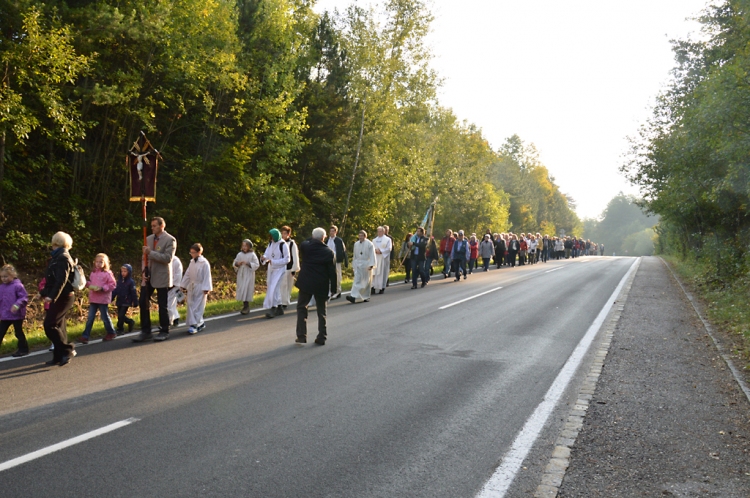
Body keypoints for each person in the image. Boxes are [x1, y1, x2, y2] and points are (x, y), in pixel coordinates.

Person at [133, 217, 176, 343]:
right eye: (151, 226)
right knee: (143, 302)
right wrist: (143, 271)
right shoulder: (148, 238)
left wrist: (150, 253)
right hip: (148, 276)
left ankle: (164, 330)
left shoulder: (170, 240)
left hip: (161, 276)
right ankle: (146, 330)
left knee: (162, 305)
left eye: (154, 226)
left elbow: (167, 258)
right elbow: (143, 258)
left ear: (162, 226)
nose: (152, 228)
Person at [40, 231, 77, 366]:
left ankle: (67, 350)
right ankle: (58, 356)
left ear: (56, 242)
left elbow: (61, 281)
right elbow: (52, 280)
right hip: (60, 296)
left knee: (50, 324)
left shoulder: (63, 258)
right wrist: (43, 292)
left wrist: (51, 296)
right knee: (59, 326)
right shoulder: (56, 257)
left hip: (64, 297)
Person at [295, 227, 337, 345]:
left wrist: (314, 237)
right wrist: (333, 288)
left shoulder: (306, 246)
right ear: (324, 238)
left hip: (306, 281)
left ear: (312, 237)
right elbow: (332, 272)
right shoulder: (329, 252)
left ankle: (301, 335)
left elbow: (306, 241)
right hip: (321, 283)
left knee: (302, 308)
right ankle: (322, 336)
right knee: (321, 311)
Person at [80, 253, 117, 343]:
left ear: (105, 263)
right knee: (90, 317)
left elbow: (113, 285)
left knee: (104, 317)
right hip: (93, 298)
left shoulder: (107, 273)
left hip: (103, 299)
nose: (98, 264)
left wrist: (103, 288)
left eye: (101, 262)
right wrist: (84, 283)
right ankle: (85, 336)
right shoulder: (93, 273)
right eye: (97, 262)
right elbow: (90, 283)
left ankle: (111, 332)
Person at [180, 243, 213, 334]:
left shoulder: (204, 263)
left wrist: (206, 288)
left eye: (193, 252)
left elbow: (207, 276)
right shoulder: (192, 262)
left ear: (199, 252)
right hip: (192, 286)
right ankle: (199, 323)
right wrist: (183, 285)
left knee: (197, 306)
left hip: (201, 286)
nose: (192, 254)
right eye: (191, 253)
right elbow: (187, 274)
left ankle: (195, 325)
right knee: (190, 304)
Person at [0, 264, 29, 357]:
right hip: (5, 314)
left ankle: (23, 349)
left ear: (13, 275)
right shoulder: (1, 287)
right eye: (2, 277)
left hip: (16, 314)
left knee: (18, 332)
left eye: (6, 276)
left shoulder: (18, 286)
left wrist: (17, 305)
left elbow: (24, 297)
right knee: (1, 331)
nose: (3, 279)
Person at [262, 228, 289, 318]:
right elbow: (267, 253)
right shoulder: (271, 243)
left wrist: (274, 261)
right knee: (272, 287)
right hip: (272, 269)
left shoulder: (283, 245)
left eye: (272, 236)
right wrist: (264, 258)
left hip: (280, 269)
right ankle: (280, 307)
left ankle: (273, 307)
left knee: (274, 287)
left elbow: (287, 259)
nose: (271, 238)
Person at [346, 230, 376, 303]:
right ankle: (353, 296)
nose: (360, 237)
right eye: (359, 236)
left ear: (365, 236)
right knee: (357, 280)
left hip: (366, 264)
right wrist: (354, 265)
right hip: (358, 264)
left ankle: (366, 296)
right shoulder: (356, 244)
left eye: (362, 236)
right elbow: (355, 255)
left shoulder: (370, 244)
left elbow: (372, 255)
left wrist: (371, 265)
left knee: (366, 282)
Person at [234, 239, 260, 315]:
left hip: (249, 274)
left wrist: (248, 263)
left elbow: (256, 264)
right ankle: (244, 305)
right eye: (243, 246)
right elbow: (234, 263)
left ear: (249, 247)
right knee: (242, 288)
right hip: (241, 274)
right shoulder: (239, 254)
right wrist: (237, 264)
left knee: (247, 288)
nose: (244, 247)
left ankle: (246, 306)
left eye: (246, 246)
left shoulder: (252, 255)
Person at [112, 264, 138, 335]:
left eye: (125, 271)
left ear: (129, 272)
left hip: (126, 301)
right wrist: (111, 297)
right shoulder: (119, 281)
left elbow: (133, 292)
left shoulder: (131, 282)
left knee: (121, 315)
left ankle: (120, 329)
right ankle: (130, 321)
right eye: (122, 271)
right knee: (120, 315)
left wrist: (135, 301)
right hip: (119, 300)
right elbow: (115, 290)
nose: (123, 273)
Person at [279, 226, 300, 308]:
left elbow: (295, 256)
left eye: (285, 233)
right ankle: (281, 301)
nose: (283, 235)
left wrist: (294, 269)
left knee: (287, 285)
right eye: (282, 233)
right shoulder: (280, 243)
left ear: (289, 234)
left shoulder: (292, 244)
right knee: (281, 285)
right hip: (281, 267)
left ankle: (285, 301)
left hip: (289, 268)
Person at [325, 226, 348, 299]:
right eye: (330, 231)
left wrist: (345, 261)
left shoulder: (338, 240)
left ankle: (338, 291)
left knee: (337, 275)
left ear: (336, 232)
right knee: (329, 276)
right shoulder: (327, 240)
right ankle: (330, 291)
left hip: (336, 260)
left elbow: (343, 251)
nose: (331, 233)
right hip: (328, 260)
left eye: (333, 231)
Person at [371, 226, 392, 294]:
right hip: (375, 258)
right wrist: (375, 250)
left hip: (383, 258)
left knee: (382, 273)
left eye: (381, 231)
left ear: (383, 232)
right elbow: (371, 248)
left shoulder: (388, 239)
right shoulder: (374, 240)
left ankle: (382, 287)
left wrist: (381, 251)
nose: (379, 232)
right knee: (374, 273)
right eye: (378, 231)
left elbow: (389, 248)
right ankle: (373, 287)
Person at [167, 255, 183, 327]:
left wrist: (172, 285)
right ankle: (176, 318)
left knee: (169, 304)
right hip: (165, 285)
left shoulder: (176, 261)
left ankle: (169, 321)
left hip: (174, 286)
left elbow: (178, 275)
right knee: (171, 304)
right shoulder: (165, 259)